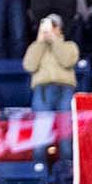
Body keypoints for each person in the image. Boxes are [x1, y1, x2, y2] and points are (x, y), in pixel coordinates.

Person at [23, 13, 76, 156]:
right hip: (43, 91)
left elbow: (67, 61)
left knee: (66, 134)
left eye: (53, 26)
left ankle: (67, 171)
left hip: (65, 90)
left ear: (60, 29)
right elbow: (29, 65)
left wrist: (55, 40)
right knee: (41, 134)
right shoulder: (35, 46)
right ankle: (39, 170)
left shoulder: (70, 46)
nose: (49, 30)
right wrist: (40, 42)